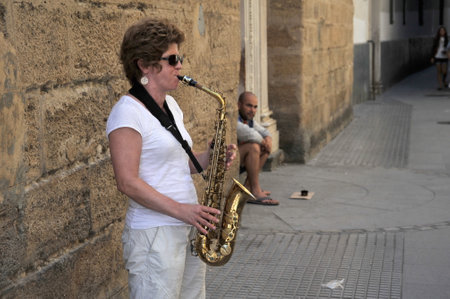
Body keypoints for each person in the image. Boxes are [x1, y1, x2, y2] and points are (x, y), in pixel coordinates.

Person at [106, 18, 237, 299]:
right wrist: (183, 211)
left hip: (186, 228)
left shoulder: (171, 105)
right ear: (144, 65)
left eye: (181, 58)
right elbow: (126, 182)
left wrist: (210, 157)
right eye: (172, 59)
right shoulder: (127, 113)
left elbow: (178, 163)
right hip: (155, 236)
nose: (180, 66)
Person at [237, 91, 279, 206]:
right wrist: (263, 141)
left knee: (266, 148)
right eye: (249, 105)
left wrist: (268, 139)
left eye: (255, 107)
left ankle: (248, 187)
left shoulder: (249, 120)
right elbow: (249, 134)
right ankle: (255, 191)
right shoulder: (235, 119)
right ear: (239, 105)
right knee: (254, 147)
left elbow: (264, 131)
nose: (253, 110)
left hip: (240, 159)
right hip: (231, 160)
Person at [430, 26, 449, 90]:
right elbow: (433, 48)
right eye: (441, 31)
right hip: (437, 56)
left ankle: (444, 80)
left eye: (443, 30)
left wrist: (447, 52)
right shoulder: (436, 39)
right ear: (439, 32)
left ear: (445, 32)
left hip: (444, 57)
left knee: (444, 71)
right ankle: (440, 85)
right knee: (439, 71)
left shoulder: (447, 39)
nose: (442, 32)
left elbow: (448, 48)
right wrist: (432, 57)